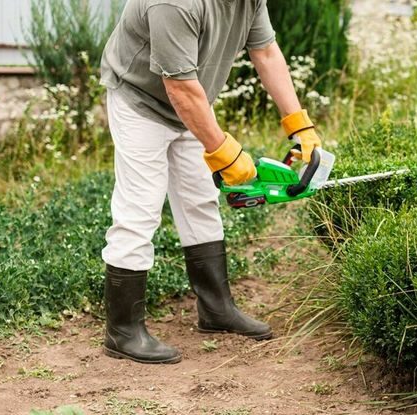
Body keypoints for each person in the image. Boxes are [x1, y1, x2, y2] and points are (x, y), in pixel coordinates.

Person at [98, 0, 322, 364]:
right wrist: (223, 151)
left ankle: (216, 310)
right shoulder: (175, 3)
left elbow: (265, 51)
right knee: (140, 208)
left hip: (192, 98)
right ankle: (122, 331)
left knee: (200, 200)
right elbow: (179, 88)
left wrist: (298, 123)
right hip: (141, 100)